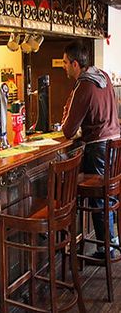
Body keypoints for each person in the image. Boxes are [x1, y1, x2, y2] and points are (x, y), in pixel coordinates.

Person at [61, 40, 120, 258]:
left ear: (76, 64)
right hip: (114, 146)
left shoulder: (84, 85)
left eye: (66, 63)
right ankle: (112, 242)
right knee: (106, 197)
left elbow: (68, 130)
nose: (64, 66)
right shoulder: (103, 76)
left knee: (98, 198)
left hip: (98, 147)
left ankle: (107, 249)